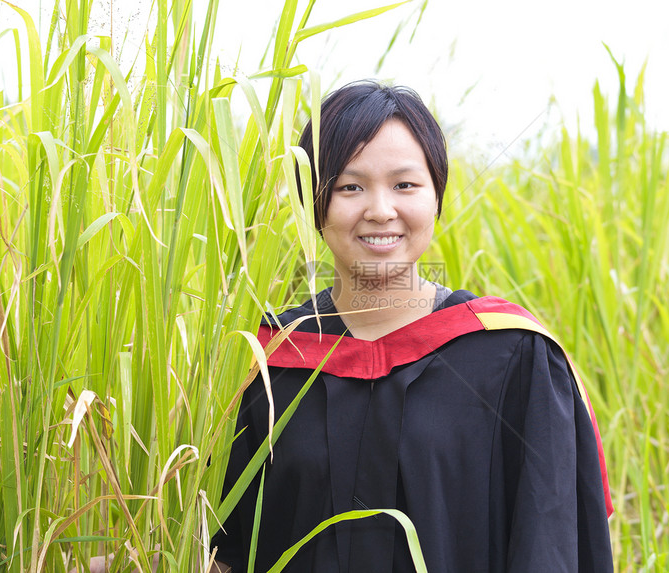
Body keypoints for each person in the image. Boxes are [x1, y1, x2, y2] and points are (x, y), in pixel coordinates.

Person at [211, 81, 613, 572]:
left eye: (405, 185)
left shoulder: (514, 356)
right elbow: (220, 552)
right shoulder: (266, 361)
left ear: (436, 196)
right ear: (312, 202)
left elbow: (548, 545)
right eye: (349, 187)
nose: (381, 210)